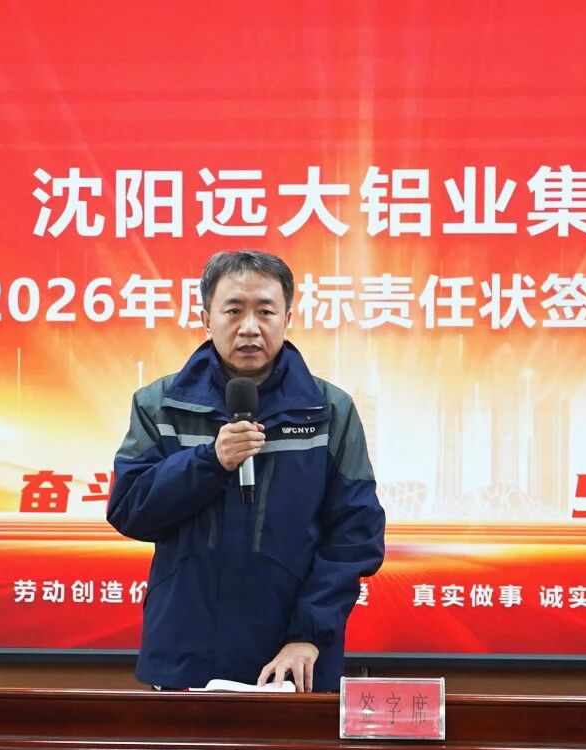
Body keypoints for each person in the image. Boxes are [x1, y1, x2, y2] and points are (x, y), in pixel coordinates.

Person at [107, 250, 385, 692]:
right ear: (206, 318)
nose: (250, 327)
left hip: (292, 658)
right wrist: (209, 462)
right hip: (186, 651)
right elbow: (130, 509)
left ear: (287, 318)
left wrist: (308, 635)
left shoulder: (329, 410)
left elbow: (356, 535)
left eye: (265, 311)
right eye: (234, 310)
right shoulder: (160, 405)